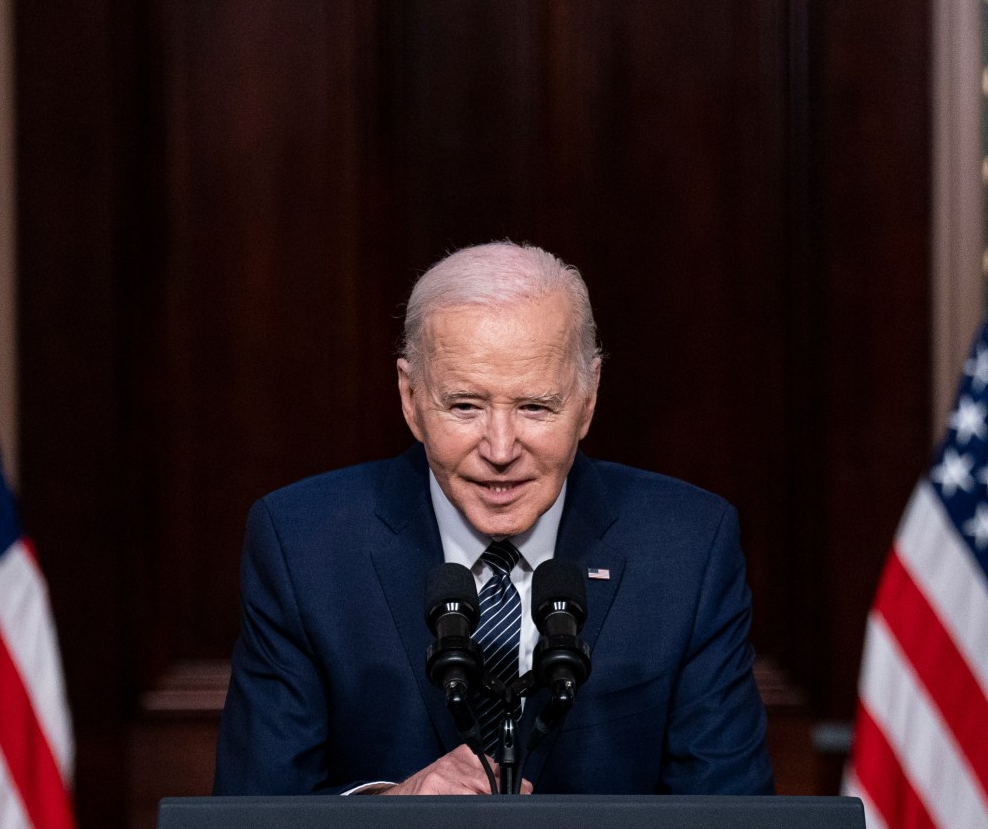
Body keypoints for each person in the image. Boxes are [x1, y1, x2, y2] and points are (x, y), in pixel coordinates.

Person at [213, 242, 773, 795]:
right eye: (465, 406)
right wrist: (388, 811)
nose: (501, 448)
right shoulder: (303, 544)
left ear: (588, 397)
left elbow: (736, 816)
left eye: (534, 406)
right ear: (410, 397)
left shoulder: (687, 547)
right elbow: (249, 815)